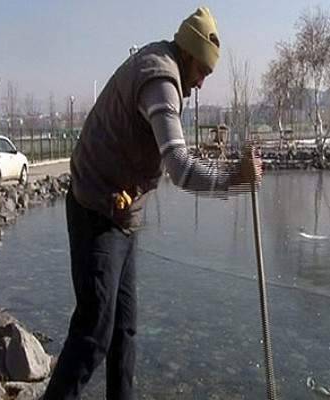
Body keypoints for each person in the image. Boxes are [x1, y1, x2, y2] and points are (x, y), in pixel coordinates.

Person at [44, 7, 262, 400]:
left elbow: (170, 154)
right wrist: (235, 179)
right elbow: (178, 167)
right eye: (203, 73)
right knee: (95, 329)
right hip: (96, 207)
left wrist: (233, 174)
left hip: (122, 213)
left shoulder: (165, 67)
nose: (200, 84)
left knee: (123, 329)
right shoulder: (160, 78)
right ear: (190, 54)